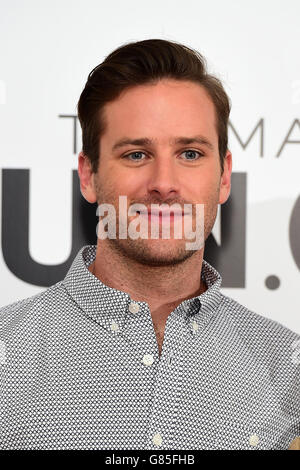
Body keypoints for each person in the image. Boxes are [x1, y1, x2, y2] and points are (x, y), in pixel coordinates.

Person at [0, 39, 299, 450]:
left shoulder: (288, 368)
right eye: (137, 154)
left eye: (190, 153)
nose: (163, 183)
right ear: (88, 176)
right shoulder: (6, 351)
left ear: (225, 177)